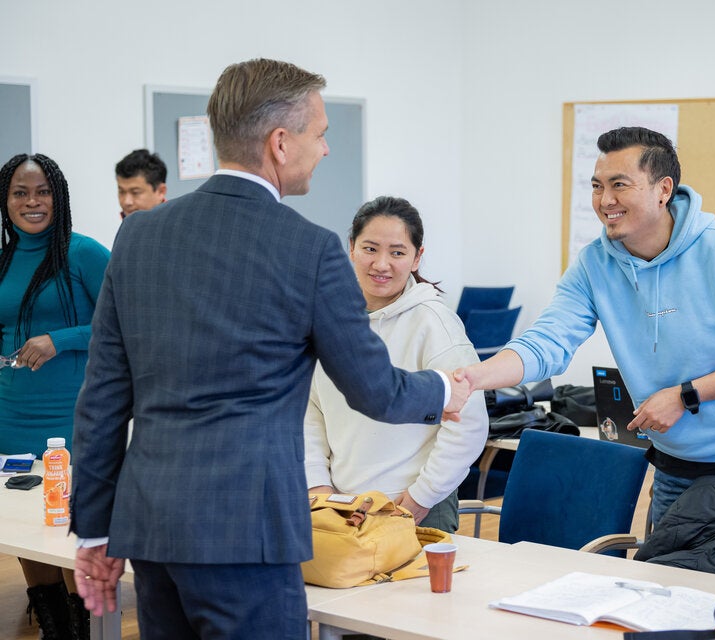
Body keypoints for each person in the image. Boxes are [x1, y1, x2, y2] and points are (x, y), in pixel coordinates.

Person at [69, 58, 470, 639]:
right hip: (248, 531)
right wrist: (443, 388)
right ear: (281, 143)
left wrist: (94, 530)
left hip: (152, 525)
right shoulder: (309, 249)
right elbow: (373, 387)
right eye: (320, 133)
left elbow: (101, 399)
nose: (326, 148)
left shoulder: (138, 235)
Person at [458, 126, 715, 528]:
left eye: (620, 185)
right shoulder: (593, 265)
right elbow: (547, 341)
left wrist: (685, 395)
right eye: (598, 186)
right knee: (673, 587)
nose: (605, 201)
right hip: (674, 466)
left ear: (663, 189)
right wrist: (473, 378)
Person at [304, 196, 489, 532]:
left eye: (397, 252)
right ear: (351, 248)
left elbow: (469, 421)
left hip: (412, 507)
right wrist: (318, 485)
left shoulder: (433, 323)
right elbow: (310, 410)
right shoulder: (329, 319)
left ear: (417, 256)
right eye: (370, 249)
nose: (381, 264)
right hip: (340, 505)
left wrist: (421, 497)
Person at [0, 153, 110, 639]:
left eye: (42, 191)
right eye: (20, 192)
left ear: (58, 196)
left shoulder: (82, 253)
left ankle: (81, 623)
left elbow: (123, 320)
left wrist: (58, 339)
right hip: (11, 413)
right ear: (5, 201)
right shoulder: (3, 260)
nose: (32, 202)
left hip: (71, 417)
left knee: (67, 530)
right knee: (22, 527)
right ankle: (53, 624)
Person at [115, 148, 167, 219]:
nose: (127, 202)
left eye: (135, 192)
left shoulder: (179, 226)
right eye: (121, 192)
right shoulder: (128, 222)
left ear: (161, 191)